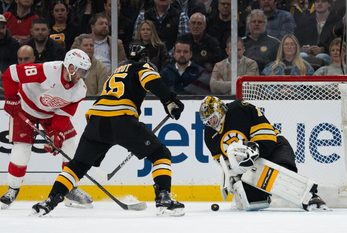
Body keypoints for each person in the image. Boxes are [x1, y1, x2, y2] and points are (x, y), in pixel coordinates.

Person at [31, 42, 185, 217]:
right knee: (161, 154)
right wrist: (169, 100)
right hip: (121, 119)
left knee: (77, 166)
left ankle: (49, 201)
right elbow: (151, 80)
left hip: (96, 122)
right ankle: (163, 198)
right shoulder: (143, 66)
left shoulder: (116, 72)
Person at [199, 95, 329, 211]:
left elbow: (267, 133)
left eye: (213, 118)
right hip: (250, 167)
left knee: (281, 173)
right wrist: (231, 177)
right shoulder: (209, 134)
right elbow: (222, 161)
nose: (211, 123)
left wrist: (256, 148)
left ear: (221, 110)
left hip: (273, 147)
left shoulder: (240, 109)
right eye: (207, 121)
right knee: (250, 200)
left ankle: (311, 197)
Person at [0, 48, 94, 210]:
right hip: (25, 106)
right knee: (22, 149)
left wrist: (56, 134)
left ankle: (69, 187)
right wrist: (11, 98)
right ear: (70, 67)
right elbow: (11, 73)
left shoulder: (80, 90)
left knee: (70, 143)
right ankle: (13, 189)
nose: (82, 75)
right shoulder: (47, 70)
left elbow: (63, 114)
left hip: (51, 113)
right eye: (81, 71)